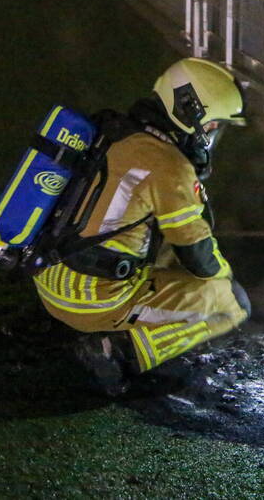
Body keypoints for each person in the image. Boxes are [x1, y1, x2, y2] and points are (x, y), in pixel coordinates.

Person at [31, 58, 251, 395]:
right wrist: (226, 277)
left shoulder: (116, 131)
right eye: (212, 126)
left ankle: (101, 325)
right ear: (192, 113)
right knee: (229, 302)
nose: (211, 136)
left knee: (164, 255)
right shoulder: (169, 166)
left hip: (48, 275)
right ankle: (117, 351)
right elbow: (200, 257)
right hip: (88, 299)